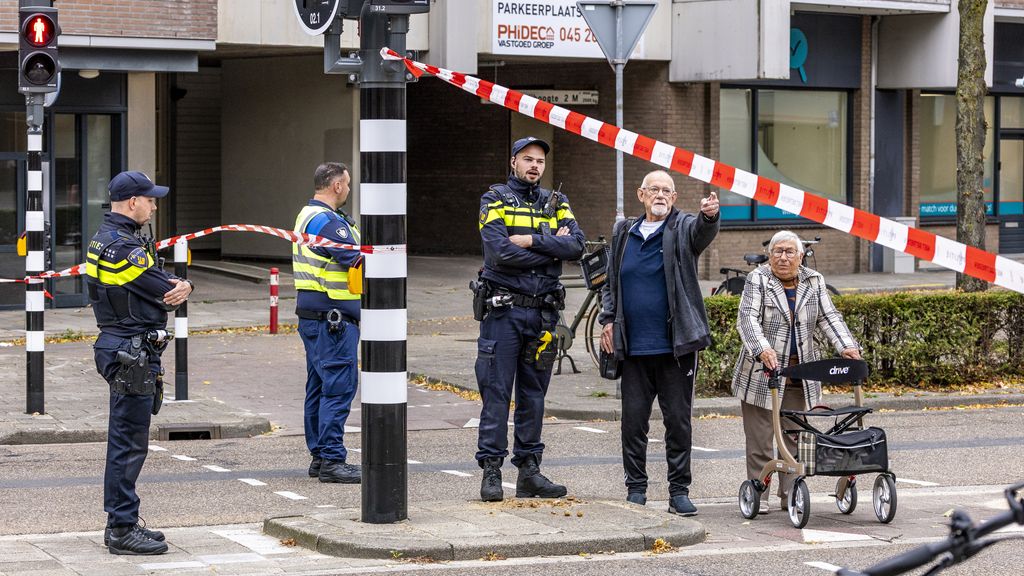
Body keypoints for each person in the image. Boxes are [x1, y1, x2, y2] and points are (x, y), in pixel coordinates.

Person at [598, 170, 719, 516]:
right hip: (633, 348)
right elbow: (610, 284)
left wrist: (710, 216)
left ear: (675, 197)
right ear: (641, 194)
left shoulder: (682, 228)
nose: (661, 195)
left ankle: (678, 491)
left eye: (667, 190)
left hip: (675, 348)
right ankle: (636, 490)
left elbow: (701, 232)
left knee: (678, 422)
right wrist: (608, 320)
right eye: (654, 190)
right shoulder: (623, 232)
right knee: (632, 423)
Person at [87, 171, 194, 555]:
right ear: (133, 202)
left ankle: (123, 522)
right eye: (149, 199)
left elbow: (155, 279)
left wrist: (177, 283)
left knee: (127, 439)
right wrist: (181, 285)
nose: (153, 205)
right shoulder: (123, 248)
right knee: (128, 443)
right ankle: (121, 528)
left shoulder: (108, 238)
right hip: (130, 350)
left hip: (124, 345)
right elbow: (162, 288)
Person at [474, 136, 585, 502]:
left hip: (542, 315)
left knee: (533, 395)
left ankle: (529, 471)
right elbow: (498, 253)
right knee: (496, 392)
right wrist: (550, 249)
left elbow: (577, 246)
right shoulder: (494, 199)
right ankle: (491, 471)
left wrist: (530, 241)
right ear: (513, 162)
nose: (535, 166)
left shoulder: (558, 202)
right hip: (504, 313)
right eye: (528, 159)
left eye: (539, 160)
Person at [732, 230, 861, 512]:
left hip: (799, 373)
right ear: (769, 255)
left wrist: (846, 347)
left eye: (790, 251)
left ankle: (791, 494)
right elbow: (747, 318)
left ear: (801, 256)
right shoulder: (759, 279)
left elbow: (829, 317)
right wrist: (762, 349)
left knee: (793, 437)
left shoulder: (814, 281)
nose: (783, 257)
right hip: (761, 374)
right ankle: (759, 493)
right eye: (778, 251)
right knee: (761, 439)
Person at [293, 162, 363, 484]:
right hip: (333, 321)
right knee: (337, 389)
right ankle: (332, 460)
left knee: (319, 388)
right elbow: (356, 259)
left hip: (315, 320)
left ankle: (320, 458)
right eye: (347, 184)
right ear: (337, 186)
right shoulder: (327, 221)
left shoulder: (306, 215)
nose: (348, 189)